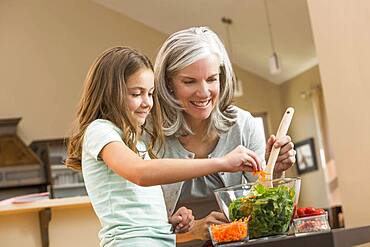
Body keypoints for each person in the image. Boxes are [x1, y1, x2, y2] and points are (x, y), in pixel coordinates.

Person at [66, 46, 262, 247]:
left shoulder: (135, 142)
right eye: (136, 93)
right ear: (109, 93)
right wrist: (222, 163)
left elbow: (137, 210)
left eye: (150, 93)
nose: (147, 103)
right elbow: (141, 173)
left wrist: (165, 222)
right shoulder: (99, 131)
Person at [154, 27, 296, 246]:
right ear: (168, 83)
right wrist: (192, 231)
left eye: (212, 79)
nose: (204, 92)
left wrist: (274, 170)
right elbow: (142, 230)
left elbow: (262, 211)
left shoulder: (243, 125)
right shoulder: (151, 136)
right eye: (189, 81)